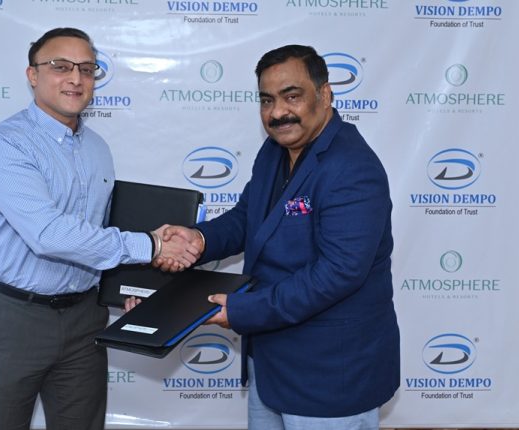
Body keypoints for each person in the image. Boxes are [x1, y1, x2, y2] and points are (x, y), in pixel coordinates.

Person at [161, 45, 400, 429]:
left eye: (292, 96)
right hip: (271, 361)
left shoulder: (353, 168)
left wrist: (241, 311)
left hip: (330, 376)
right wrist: (198, 240)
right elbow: (248, 217)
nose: (277, 113)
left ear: (324, 94)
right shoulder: (275, 150)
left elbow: (337, 273)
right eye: (267, 100)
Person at [0, 27, 199, 430]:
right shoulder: (6, 144)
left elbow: (99, 232)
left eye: (87, 69)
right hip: (14, 316)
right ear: (33, 75)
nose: (76, 78)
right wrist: (151, 246)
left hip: (85, 317)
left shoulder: (97, 149)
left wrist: (131, 288)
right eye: (61, 67)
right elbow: (49, 235)